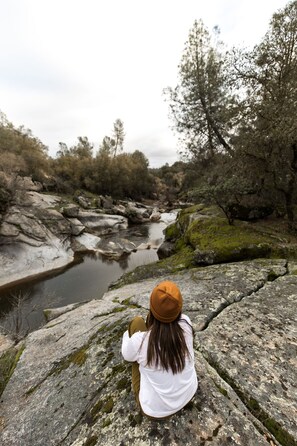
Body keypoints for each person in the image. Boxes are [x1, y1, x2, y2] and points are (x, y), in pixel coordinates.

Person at [121, 280, 198, 419]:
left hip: (156, 410)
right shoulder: (186, 324)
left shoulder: (141, 341)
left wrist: (128, 337)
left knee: (137, 322)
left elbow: (126, 355)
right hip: (189, 392)